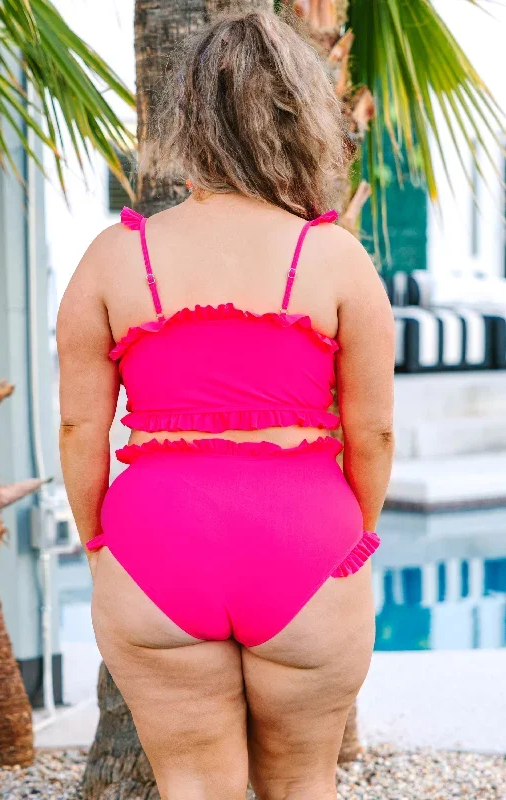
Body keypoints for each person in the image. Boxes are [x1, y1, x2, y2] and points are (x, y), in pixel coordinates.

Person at [57, 10, 394, 800]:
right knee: (303, 783)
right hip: (306, 538)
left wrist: (99, 539)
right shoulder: (334, 258)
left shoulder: (115, 256)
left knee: (193, 786)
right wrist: (357, 535)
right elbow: (371, 429)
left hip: (155, 541)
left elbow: (80, 426)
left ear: (186, 117)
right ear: (301, 115)